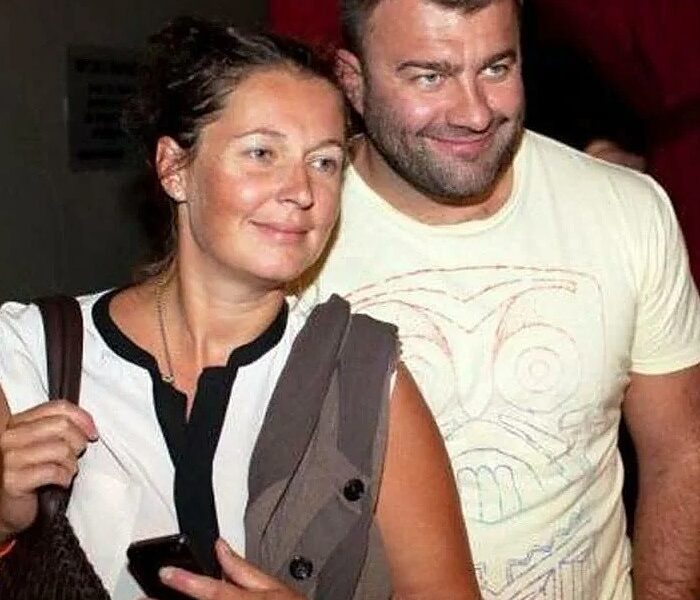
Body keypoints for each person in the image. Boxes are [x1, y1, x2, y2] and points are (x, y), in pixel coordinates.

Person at [0, 17, 481, 600]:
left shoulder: (363, 378)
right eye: (261, 153)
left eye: (324, 162)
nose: (301, 191)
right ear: (175, 168)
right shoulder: (27, 355)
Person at [299, 0, 700, 598]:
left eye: (496, 67)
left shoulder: (627, 210)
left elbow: (680, 450)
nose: (475, 112)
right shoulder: (291, 236)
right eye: (429, 76)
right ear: (352, 81)